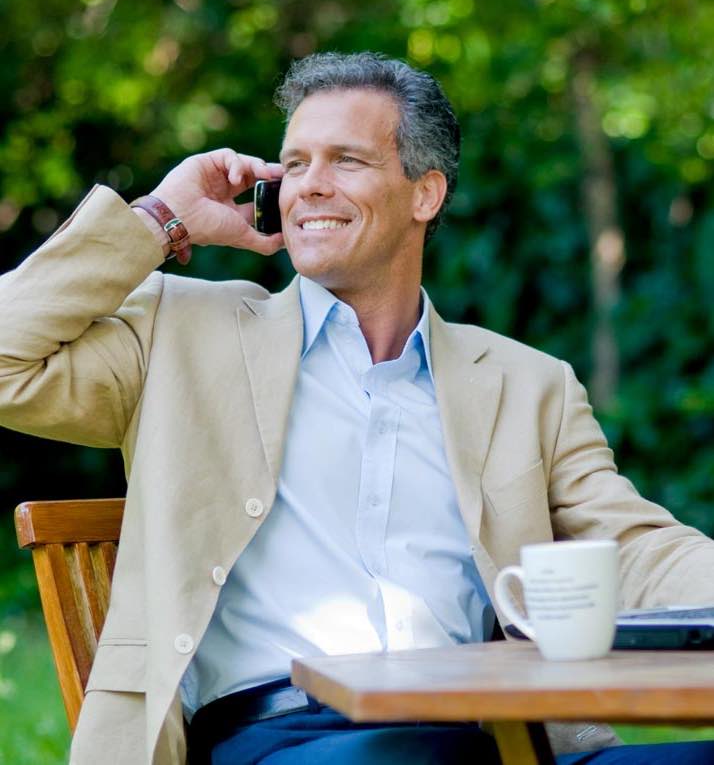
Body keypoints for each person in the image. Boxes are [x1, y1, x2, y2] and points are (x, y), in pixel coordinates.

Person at [1, 52, 713, 765]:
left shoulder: (528, 384)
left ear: (425, 194)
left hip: (490, 734)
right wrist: (158, 217)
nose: (309, 185)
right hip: (281, 736)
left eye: (345, 160)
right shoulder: (181, 335)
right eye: (295, 163)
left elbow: (639, 549)